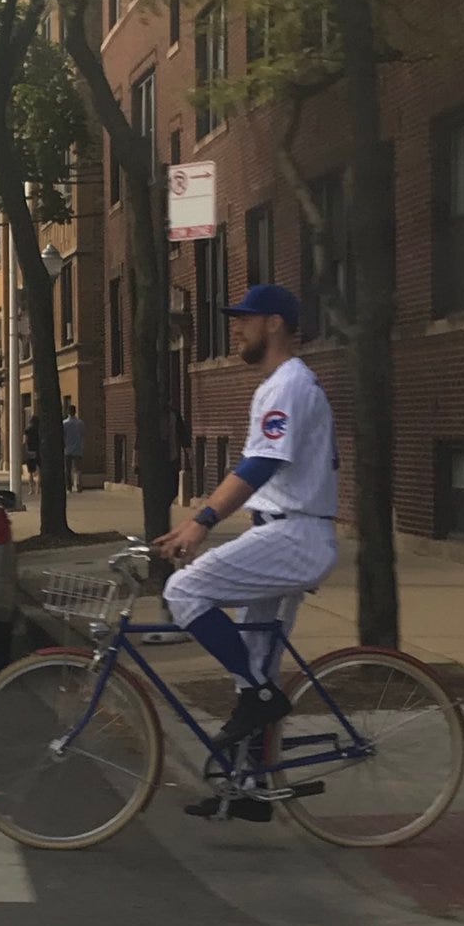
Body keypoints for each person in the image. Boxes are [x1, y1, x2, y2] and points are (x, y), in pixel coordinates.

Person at [155, 284, 338, 820]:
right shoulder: (281, 385)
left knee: (184, 589)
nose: (235, 327)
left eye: (245, 318)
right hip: (284, 530)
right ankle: (251, 791)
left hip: (293, 535)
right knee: (253, 663)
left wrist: (201, 521)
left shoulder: (287, 386)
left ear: (275, 323)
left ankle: (260, 701)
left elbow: (260, 466)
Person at [62, 404, 85, 492]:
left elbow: (63, 436)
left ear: (68, 412)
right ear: (75, 411)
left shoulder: (64, 423)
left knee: (67, 469)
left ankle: (69, 487)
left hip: (67, 449)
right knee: (78, 469)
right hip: (78, 448)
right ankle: (78, 486)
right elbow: (83, 435)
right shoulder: (80, 423)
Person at [23, 414, 40, 495]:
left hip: (30, 451)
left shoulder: (27, 429)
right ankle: (38, 489)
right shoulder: (39, 429)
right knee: (39, 470)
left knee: (30, 472)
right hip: (38, 451)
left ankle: (31, 489)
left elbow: (24, 441)